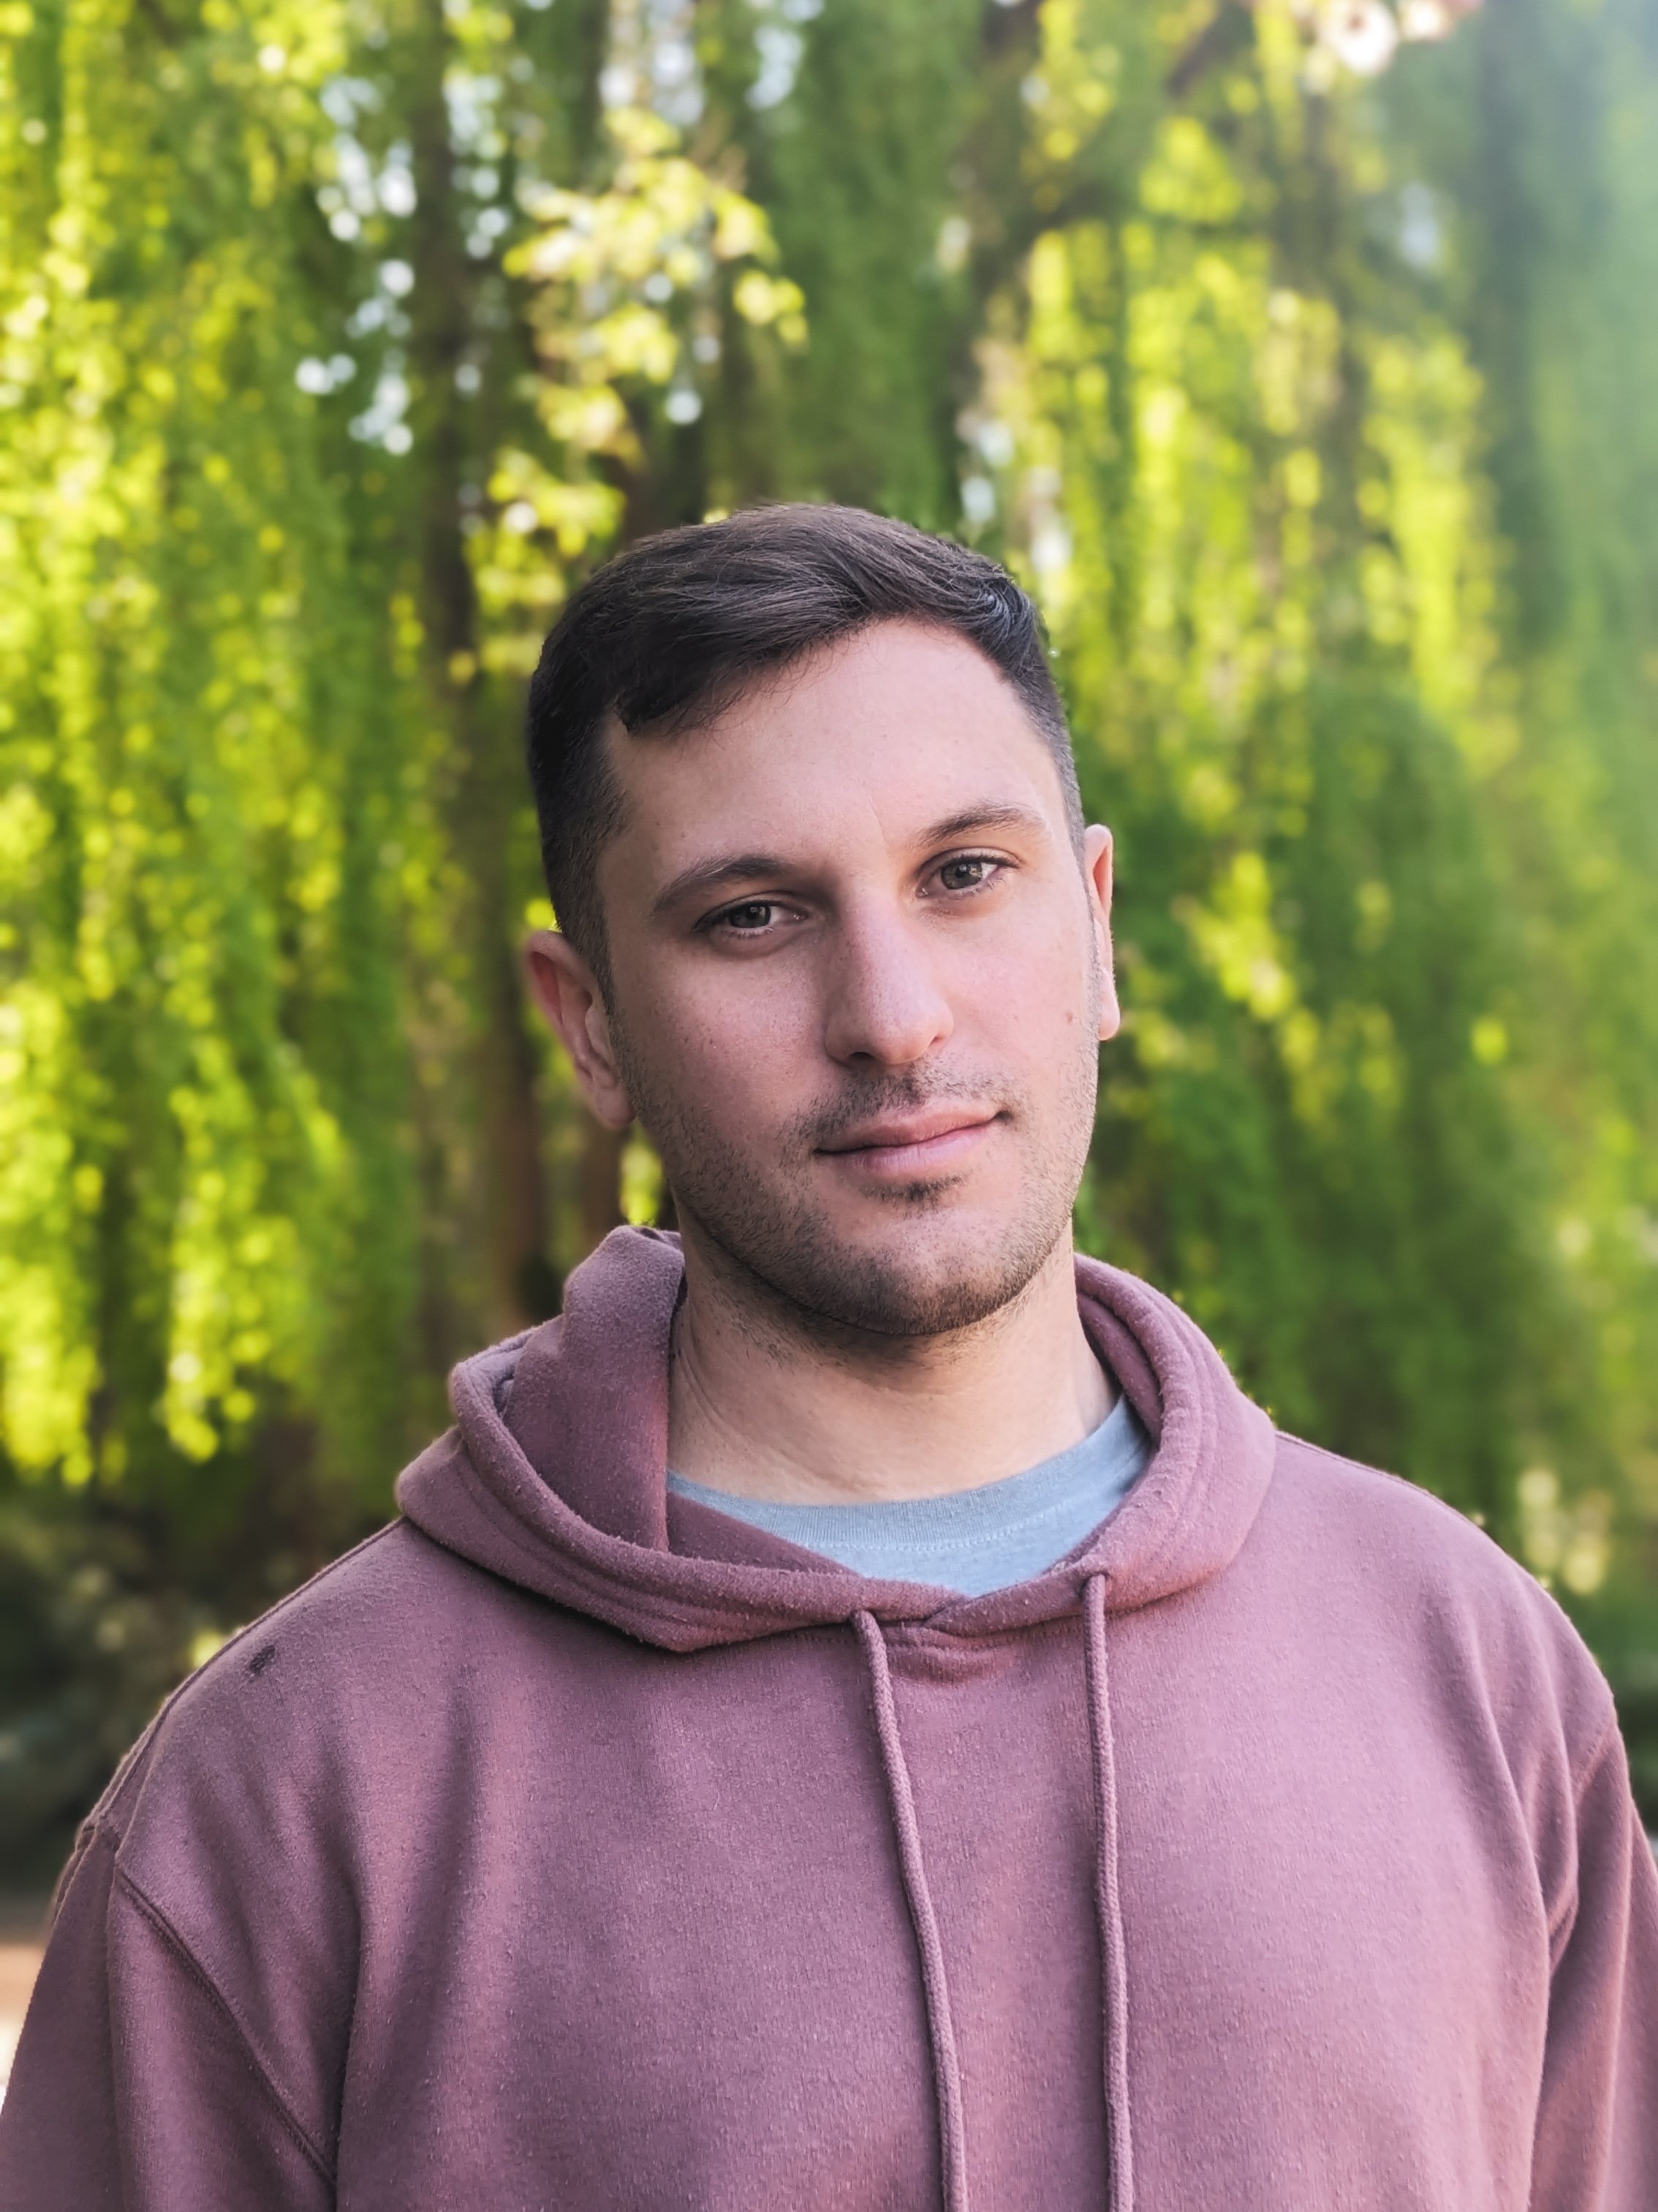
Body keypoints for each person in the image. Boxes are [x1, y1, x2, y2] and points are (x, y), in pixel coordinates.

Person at [1, 505, 1653, 2212]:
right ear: (590, 1022)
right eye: (752, 917)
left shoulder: (1468, 1664)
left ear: (1094, 926)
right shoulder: (294, 1794)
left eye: (964, 874)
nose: (893, 1012)